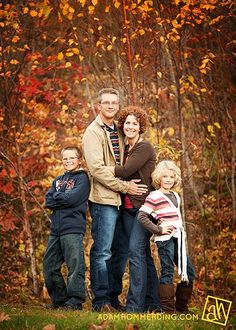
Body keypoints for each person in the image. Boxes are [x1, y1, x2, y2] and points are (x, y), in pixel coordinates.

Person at [82, 88, 147, 312]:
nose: (110, 106)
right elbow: (97, 170)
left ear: (118, 106)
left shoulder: (118, 130)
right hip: (103, 200)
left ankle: (112, 297)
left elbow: (127, 163)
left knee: (121, 252)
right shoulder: (93, 132)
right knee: (102, 251)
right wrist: (125, 186)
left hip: (123, 201)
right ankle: (100, 301)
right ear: (98, 106)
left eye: (114, 103)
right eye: (106, 103)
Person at [107, 106, 161, 313]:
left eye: (134, 124)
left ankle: (134, 306)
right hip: (127, 209)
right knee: (143, 255)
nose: (130, 126)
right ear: (122, 126)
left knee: (135, 254)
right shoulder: (124, 148)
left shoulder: (144, 147)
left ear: (141, 127)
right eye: (127, 123)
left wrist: (101, 168)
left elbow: (126, 171)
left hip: (144, 210)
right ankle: (154, 304)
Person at [137, 160, 195, 313]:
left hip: (179, 238)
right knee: (167, 271)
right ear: (159, 178)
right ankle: (168, 310)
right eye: (165, 176)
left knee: (189, 272)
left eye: (171, 176)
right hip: (165, 240)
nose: (168, 180)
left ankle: (182, 308)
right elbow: (142, 216)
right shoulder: (154, 195)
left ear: (175, 178)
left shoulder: (176, 195)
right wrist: (158, 229)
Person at [43, 146, 90, 310]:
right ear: (62, 160)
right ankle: (59, 300)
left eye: (72, 158)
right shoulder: (57, 180)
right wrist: (62, 198)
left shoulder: (83, 179)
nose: (68, 161)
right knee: (49, 266)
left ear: (79, 160)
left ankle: (75, 301)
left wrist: (59, 197)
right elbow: (48, 201)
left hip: (73, 228)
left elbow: (73, 199)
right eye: (65, 158)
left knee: (75, 266)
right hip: (55, 230)